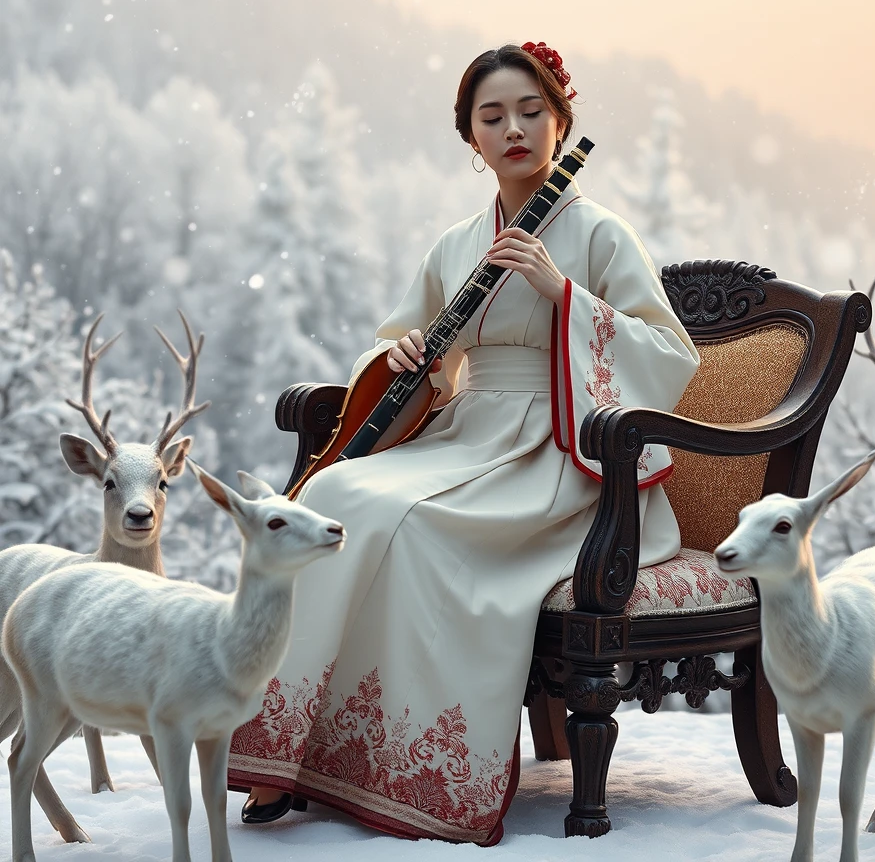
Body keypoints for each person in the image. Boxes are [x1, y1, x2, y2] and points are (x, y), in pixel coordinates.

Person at [229, 42, 700, 845]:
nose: (512, 128)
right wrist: (407, 356)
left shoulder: (600, 234)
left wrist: (563, 295)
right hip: (462, 434)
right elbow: (402, 350)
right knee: (338, 496)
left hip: (557, 454)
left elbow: (670, 355)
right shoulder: (456, 243)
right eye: (492, 117)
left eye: (530, 112)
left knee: (414, 523)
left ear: (559, 122)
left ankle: (413, 766)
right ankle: (291, 755)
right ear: (471, 138)